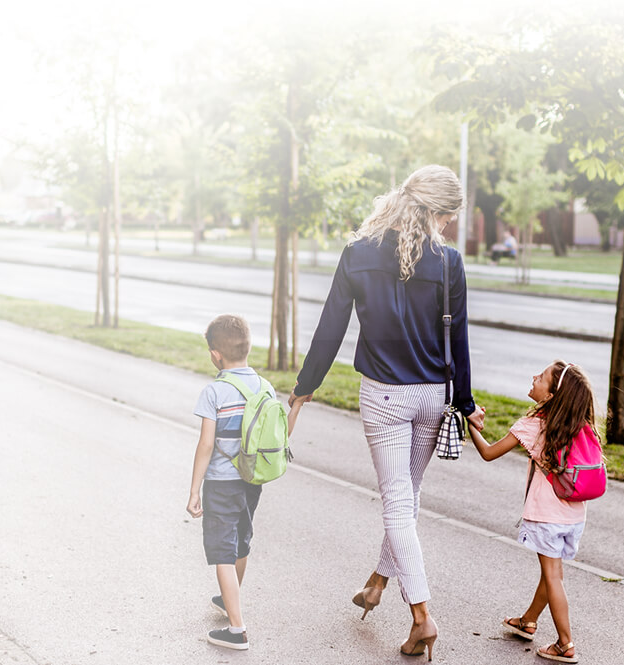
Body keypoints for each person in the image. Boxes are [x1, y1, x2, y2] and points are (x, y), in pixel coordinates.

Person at [289, 164, 483, 661]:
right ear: (437, 211)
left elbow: (330, 327)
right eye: (447, 217)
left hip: (386, 396)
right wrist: (464, 401)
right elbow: (457, 338)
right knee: (407, 500)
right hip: (433, 396)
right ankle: (376, 583)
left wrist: (304, 388)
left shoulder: (358, 253)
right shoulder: (448, 262)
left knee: (398, 504)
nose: (447, 227)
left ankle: (421, 617)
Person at [465, 360, 597, 664]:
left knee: (552, 576)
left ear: (550, 396)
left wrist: (472, 423)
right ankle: (528, 620)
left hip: (547, 515)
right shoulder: (580, 426)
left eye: (541, 377)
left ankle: (565, 644)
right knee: (552, 574)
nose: (534, 377)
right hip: (574, 517)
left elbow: (488, 453)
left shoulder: (535, 425)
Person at [187, 314, 303, 651]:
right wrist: (295, 408)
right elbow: (279, 437)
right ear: (248, 348)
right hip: (251, 481)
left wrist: (194, 490)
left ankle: (237, 630)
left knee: (222, 548)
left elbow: (206, 444)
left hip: (221, 483)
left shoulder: (214, 392)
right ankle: (228, 599)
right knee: (240, 539)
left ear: (215, 355)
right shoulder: (264, 386)